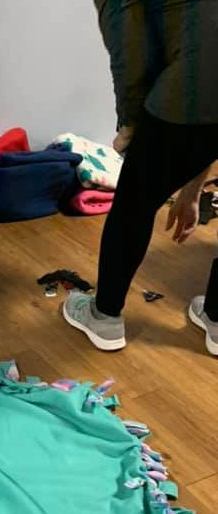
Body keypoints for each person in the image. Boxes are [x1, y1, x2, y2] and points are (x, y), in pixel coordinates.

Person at [63, 0, 218, 355]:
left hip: (194, 87)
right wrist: (192, 191)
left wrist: (130, 123)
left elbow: (129, 45)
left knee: (135, 202)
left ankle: (104, 317)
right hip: (204, 81)